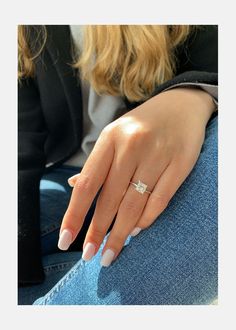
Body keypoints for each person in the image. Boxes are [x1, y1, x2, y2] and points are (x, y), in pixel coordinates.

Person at [18, 25, 218, 305]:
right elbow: (18, 137)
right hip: (65, 174)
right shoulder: (25, 26)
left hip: (152, 170)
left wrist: (194, 93)